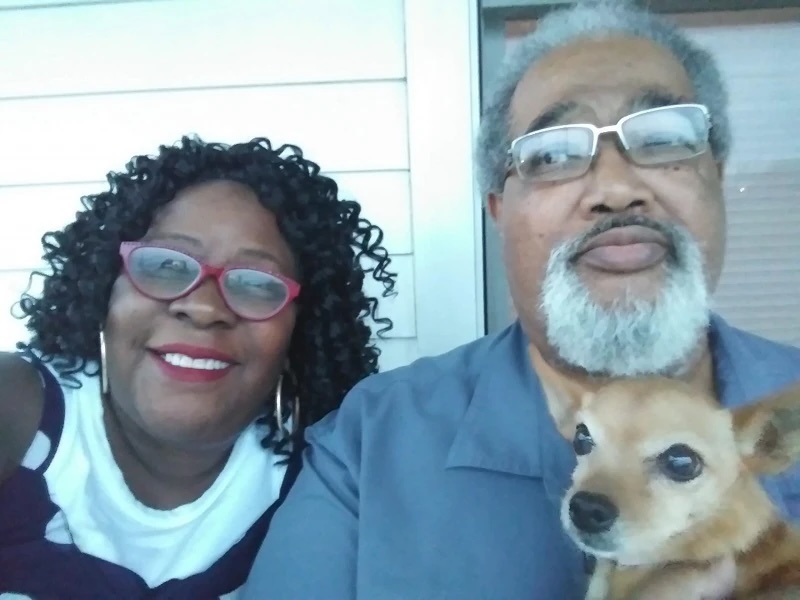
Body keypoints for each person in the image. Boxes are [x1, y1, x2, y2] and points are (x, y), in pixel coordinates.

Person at [243, 2, 800, 599]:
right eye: (554, 154)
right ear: (498, 210)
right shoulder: (370, 444)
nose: (616, 188)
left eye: (663, 139)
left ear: (715, 175)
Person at [0, 135, 397, 597]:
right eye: (166, 265)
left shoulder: (332, 475)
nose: (205, 308)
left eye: (255, 283)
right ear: (105, 293)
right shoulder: (19, 410)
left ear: (298, 332)